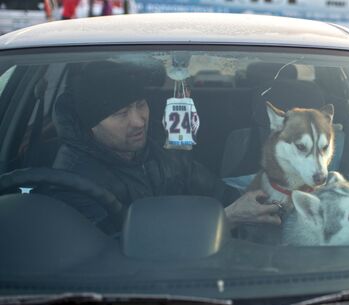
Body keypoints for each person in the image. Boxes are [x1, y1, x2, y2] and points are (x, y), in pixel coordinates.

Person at [52, 60, 281, 233]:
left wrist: (257, 202)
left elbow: (214, 189)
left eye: (140, 104)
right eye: (120, 113)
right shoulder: (74, 182)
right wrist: (226, 219)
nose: (139, 121)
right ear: (91, 126)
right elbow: (120, 253)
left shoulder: (155, 149)